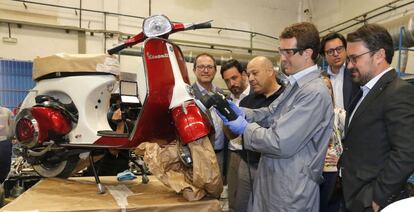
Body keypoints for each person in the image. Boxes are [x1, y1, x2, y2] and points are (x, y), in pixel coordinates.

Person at [216, 22, 334, 212]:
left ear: (307, 53)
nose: (282, 58)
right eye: (281, 51)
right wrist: (243, 113)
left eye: (288, 52)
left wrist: (244, 128)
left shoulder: (314, 93)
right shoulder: (295, 85)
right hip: (276, 179)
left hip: (291, 188)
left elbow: (279, 142)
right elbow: (271, 113)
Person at [339, 24, 414, 212]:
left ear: (379, 55)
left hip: (372, 200)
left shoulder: (399, 92)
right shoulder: (362, 91)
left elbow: (407, 151)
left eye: (354, 58)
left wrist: (376, 198)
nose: (349, 65)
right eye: (349, 59)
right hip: (352, 194)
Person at [234, 56, 285, 212]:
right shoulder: (246, 103)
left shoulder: (288, 98)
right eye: (248, 75)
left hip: (275, 168)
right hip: (248, 164)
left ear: (270, 71)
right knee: (242, 206)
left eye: (255, 73)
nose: (250, 79)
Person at [220, 59, 250, 211]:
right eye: (227, 81)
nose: (232, 83)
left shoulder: (255, 96)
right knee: (234, 201)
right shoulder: (228, 100)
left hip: (253, 157)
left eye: (234, 78)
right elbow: (227, 134)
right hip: (233, 155)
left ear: (244, 74)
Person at [191, 53, 227, 176]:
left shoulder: (220, 93)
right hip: (198, 157)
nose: (205, 70)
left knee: (217, 191)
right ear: (194, 70)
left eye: (210, 67)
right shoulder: (188, 95)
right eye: (201, 67)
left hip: (220, 154)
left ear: (215, 71)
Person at [320, 74, 346, 212]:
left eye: (328, 88)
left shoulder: (339, 114)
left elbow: (356, 139)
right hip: (312, 173)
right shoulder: (308, 115)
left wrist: (342, 159)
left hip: (332, 172)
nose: (325, 91)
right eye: (322, 88)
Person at [320, 32, 360, 112]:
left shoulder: (356, 72)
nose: (336, 54)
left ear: (346, 50)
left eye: (339, 49)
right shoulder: (321, 79)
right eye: (330, 51)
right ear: (324, 56)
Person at [0, 106, 13, 183]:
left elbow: (11, 124)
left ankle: (2, 183)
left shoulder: (7, 111)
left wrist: (13, 136)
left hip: (5, 141)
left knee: (5, 164)